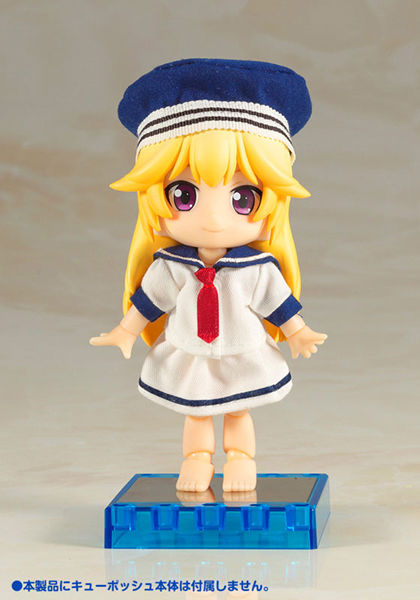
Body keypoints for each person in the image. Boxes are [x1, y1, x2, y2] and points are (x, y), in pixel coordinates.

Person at [90, 59, 327, 494]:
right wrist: (126, 330)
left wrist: (298, 332)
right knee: (196, 411)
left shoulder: (257, 268)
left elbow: (277, 303)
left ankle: (241, 459)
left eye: (243, 198)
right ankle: (196, 459)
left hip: (243, 351)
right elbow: (150, 300)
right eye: (184, 195)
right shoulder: (171, 266)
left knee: (239, 410)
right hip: (191, 351)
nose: (214, 219)